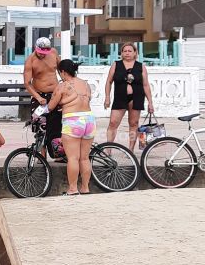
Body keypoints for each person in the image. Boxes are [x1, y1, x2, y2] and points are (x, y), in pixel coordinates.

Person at [46, 58, 95, 195]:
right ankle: (85, 188)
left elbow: (50, 106)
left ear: (62, 72)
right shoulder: (85, 84)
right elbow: (86, 99)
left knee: (73, 158)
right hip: (89, 120)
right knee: (85, 158)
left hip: (73, 120)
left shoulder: (62, 86)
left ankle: (73, 189)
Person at [104, 41, 154, 151]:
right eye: (125, 51)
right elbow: (109, 82)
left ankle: (130, 149)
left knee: (133, 123)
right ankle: (108, 149)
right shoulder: (116, 64)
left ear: (135, 53)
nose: (127, 53)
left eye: (130, 51)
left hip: (136, 97)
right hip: (120, 97)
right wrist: (107, 97)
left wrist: (150, 102)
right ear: (121, 53)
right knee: (113, 123)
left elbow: (146, 85)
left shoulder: (141, 66)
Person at [23, 36, 62, 157]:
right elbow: (27, 83)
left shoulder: (54, 53)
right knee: (41, 127)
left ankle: (58, 154)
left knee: (57, 125)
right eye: (40, 53)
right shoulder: (31, 61)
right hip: (40, 95)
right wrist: (38, 97)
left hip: (55, 94)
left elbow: (61, 70)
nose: (42, 55)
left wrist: (66, 84)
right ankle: (42, 156)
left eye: (45, 53)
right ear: (36, 48)